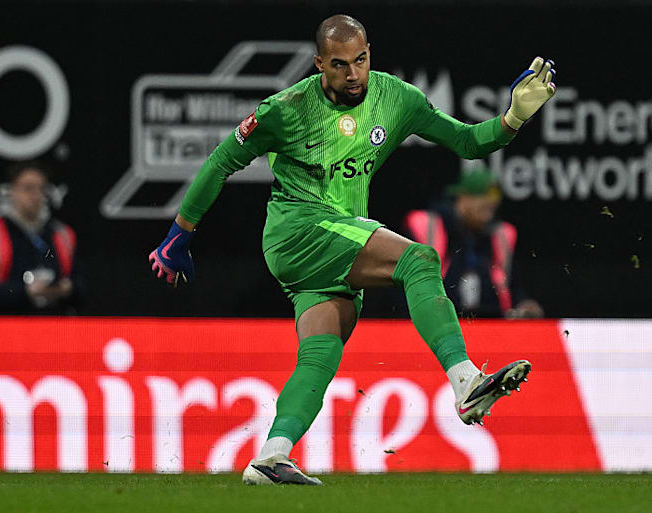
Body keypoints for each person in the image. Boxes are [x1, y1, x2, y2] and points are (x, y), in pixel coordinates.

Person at [148, 14, 556, 485]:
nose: (353, 74)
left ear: (369, 53)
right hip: (298, 231)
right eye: (339, 65)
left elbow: (467, 142)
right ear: (320, 63)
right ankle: (465, 381)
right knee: (418, 259)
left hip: (337, 240)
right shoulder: (287, 108)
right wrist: (180, 234)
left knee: (320, 355)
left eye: (360, 60)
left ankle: (270, 456)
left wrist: (514, 118)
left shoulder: (395, 98)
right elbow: (221, 161)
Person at [404, 169, 543, 318]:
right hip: (435, 325)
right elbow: (401, 289)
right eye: (483, 205)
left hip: (492, 328)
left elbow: (511, 288)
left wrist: (523, 304)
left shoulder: (499, 236)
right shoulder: (428, 227)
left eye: (492, 208)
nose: (489, 210)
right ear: (463, 198)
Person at [0, 161, 82, 314]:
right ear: (12, 190)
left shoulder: (61, 234)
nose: (35, 195)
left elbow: (81, 286)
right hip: (7, 327)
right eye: (28, 188)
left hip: (54, 326)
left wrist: (65, 289)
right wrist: (25, 292)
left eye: (41, 189)